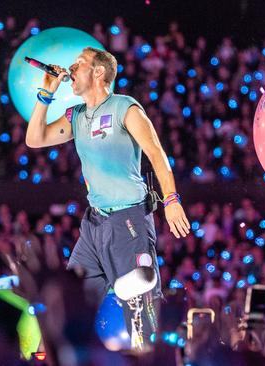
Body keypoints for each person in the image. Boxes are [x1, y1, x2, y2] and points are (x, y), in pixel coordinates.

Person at [25, 47, 190, 350]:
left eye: (79, 64)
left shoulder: (125, 108)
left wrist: (171, 199)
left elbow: (156, 154)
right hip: (94, 225)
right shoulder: (75, 115)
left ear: (98, 72)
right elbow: (35, 139)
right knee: (66, 300)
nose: (71, 69)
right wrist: (45, 93)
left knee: (142, 309)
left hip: (128, 221)